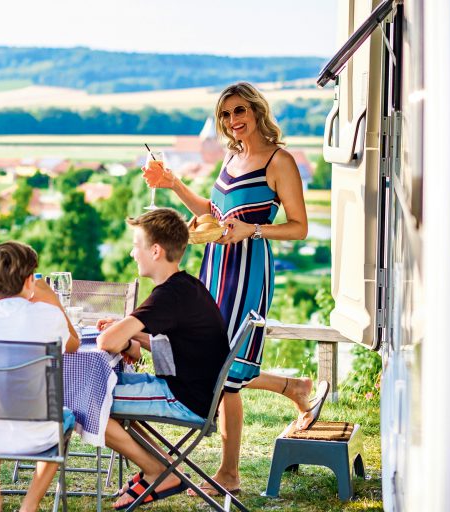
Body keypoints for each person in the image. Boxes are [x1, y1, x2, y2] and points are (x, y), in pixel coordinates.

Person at [142, 81, 328, 495]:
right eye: (225, 115)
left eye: (239, 111)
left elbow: (299, 228)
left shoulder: (280, 162)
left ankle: (229, 475)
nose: (232, 121)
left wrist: (252, 229)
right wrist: (173, 185)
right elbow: (215, 212)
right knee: (215, 360)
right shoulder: (233, 154)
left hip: (249, 272)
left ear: (257, 111)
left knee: (224, 372)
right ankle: (291, 387)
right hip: (216, 266)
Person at [95, 208, 230, 510]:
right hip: (195, 391)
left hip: (183, 398)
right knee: (101, 396)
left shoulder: (168, 295)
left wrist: (121, 332)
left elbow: (107, 342)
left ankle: (160, 472)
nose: (132, 253)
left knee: (89, 402)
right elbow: (170, 344)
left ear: (155, 250)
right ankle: (159, 467)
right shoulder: (185, 286)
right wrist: (129, 334)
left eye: (136, 245)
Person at [0, 241, 79, 512]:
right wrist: (55, 303)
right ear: (30, 280)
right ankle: (29, 505)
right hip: (39, 435)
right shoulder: (49, 315)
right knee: (65, 416)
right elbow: (73, 344)